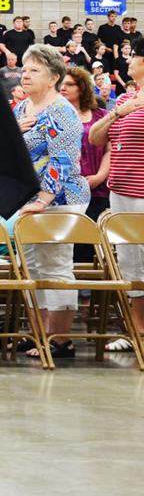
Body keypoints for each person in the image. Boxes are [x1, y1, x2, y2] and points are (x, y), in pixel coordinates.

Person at [15, 45, 90, 360]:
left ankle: (60, 339)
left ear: (54, 77)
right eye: (24, 69)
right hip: (28, 198)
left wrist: (44, 199)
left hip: (61, 197)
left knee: (55, 264)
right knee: (31, 265)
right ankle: (40, 335)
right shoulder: (21, 110)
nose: (25, 75)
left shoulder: (60, 109)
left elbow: (62, 159)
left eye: (34, 70)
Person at [88, 47, 144, 350]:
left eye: (133, 56)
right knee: (130, 259)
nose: (128, 61)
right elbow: (96, 138)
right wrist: (117, 113)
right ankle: (136, 328)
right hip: (120, 190)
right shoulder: (123, 99)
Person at [60, 67, 110, 267]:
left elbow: (110, 149)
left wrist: (99, 176)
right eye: (61, 84)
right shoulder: (54, 114)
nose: (63, 88)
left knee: (89, 242)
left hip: (96, 187)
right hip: (63, 189)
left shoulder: (101, 115)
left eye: (69, 84)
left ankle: (89, 294)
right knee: (66, 243)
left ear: (82, 88)